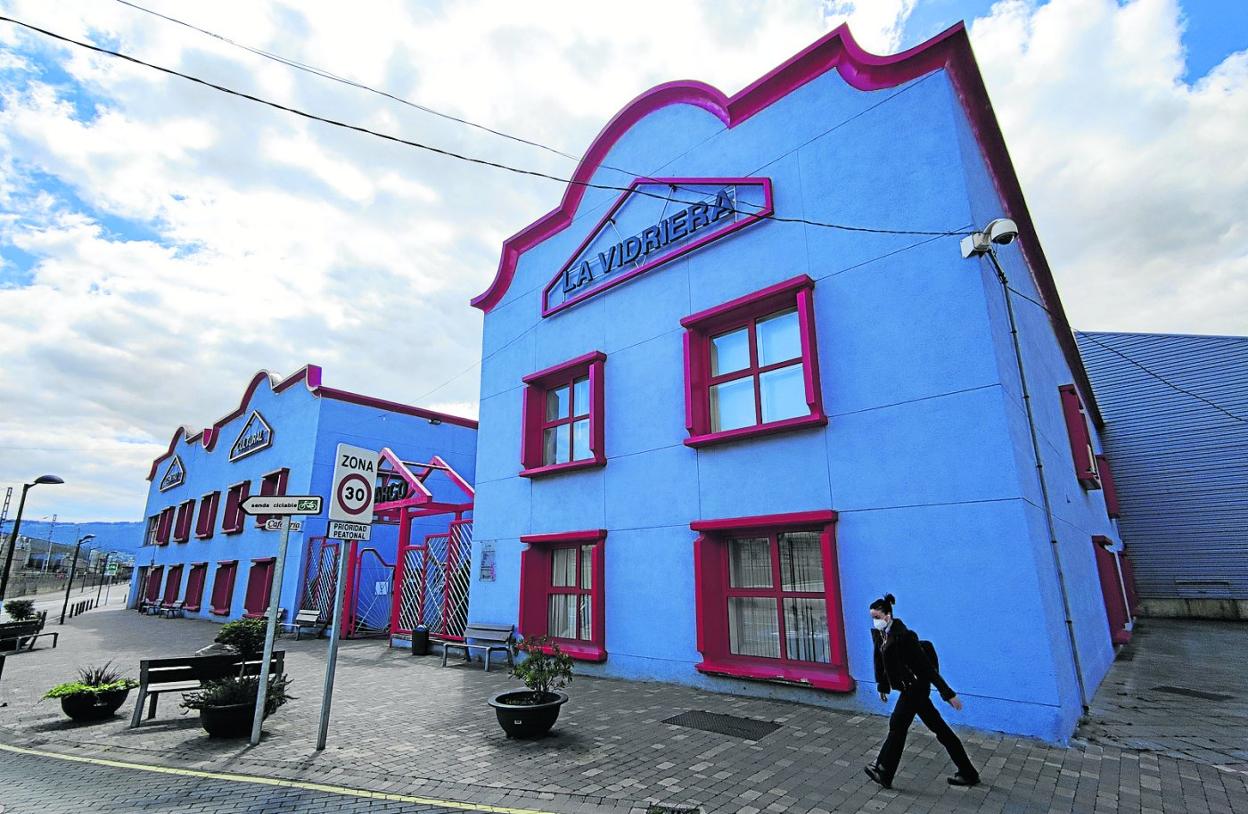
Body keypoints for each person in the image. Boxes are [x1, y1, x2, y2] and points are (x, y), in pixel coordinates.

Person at [864, 593, 980, 790]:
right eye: (872, 617)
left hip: (915, 688)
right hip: (909, 689)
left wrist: (947, 693)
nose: (874, 621)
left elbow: (926, 668)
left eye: (877, 617)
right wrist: (882, 686)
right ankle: (968, 772)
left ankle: (884, 770)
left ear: (888, 616)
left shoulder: (905, 637)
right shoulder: (881, 635)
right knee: (939, 729)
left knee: (897, 724)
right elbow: (880, 663)